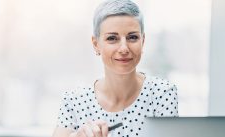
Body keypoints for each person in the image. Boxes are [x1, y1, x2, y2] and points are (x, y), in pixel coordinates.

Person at [52, 0, 178, 137]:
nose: (124, 48)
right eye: (112, 38)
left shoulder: (162, 93)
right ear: (96, 44)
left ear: (143, 41)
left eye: (132, 37)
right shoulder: (74, 100)